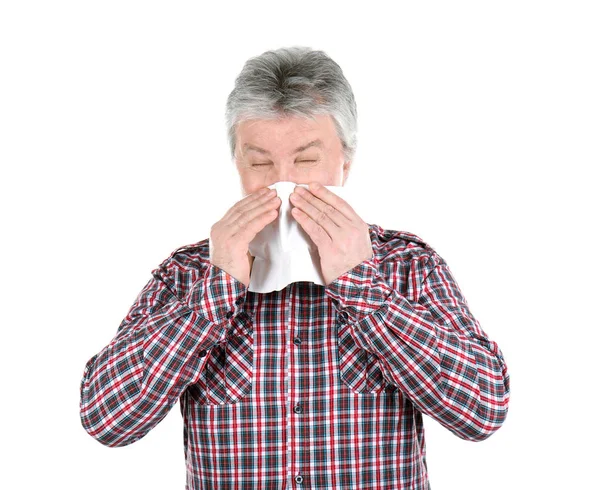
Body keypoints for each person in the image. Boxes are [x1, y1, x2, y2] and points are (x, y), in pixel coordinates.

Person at [79, 46, 510, 489]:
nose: (281, 182)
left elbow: (483, 410)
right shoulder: (187, 273)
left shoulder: (407, 266)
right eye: (260, 163)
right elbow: (106, 421)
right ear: (237, 165)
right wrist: (214, 292)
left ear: (346, 160)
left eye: (305, 161)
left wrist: (364, 287)